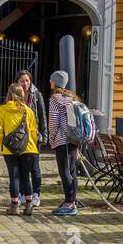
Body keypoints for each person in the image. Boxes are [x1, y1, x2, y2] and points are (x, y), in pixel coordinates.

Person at [0, 83, 39, 215]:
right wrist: (32, 144)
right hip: (28, 147)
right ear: (22, 94)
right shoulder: (28, 110)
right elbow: (33, 131)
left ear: (9, 93)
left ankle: (14, 206)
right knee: (26, 176)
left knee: (14, 177)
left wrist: (2, 144)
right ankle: (29, 205)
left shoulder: (2, 110)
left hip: (9, 149)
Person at [46, 71, 81, 216]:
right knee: (72, 171)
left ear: (55, 82)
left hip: (62, 139)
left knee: (64, 171)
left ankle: (69, 204)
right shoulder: (71, 97)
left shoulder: (55, 98)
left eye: (51, 79)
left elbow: (54, 120)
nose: (49, 81)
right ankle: (73, 199)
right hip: (73, 139)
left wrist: (51, 137)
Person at [15, 69, 47, 208]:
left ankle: (35, 194)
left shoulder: (37, 95)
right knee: (22, 166)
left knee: (34, 166)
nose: (25, 83)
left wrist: (44, 135)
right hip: (19, 136)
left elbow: (42, 115)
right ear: (17, 82)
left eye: (27, 80)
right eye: (22, 80)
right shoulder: (14, 94)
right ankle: (22, 193)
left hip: (34, 136)